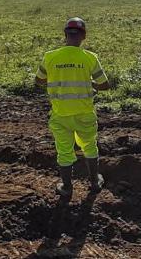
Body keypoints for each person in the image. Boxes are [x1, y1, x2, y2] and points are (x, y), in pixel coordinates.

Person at [35, 17, 111, 196]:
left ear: (65, 35)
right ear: (84, 36)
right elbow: (105, 85)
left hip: (60, 114)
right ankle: (94, 182)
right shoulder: (90, 58)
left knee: (64, 150)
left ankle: (67, 187)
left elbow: (38, 81)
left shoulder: (50, 57)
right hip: (84, 113)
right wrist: (90, 84)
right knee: (90, 146)